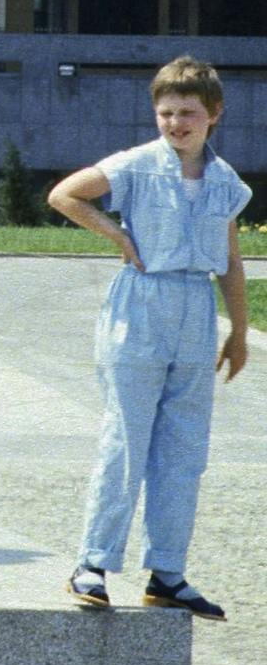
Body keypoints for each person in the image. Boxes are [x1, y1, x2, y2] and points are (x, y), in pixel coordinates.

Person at [48, 55, 250, 619]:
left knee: (184, 450)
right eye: (165, 113)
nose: (175, 124)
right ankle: (92, 563)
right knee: (126, 439)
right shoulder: (136, 165)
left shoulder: (224, 181)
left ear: (214, 115)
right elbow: (66, 194)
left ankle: (168, 572)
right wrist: (116, 233)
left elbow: (230, 259)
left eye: (187, 113)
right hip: (140, 304)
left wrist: (237, 330)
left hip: (194, 309)